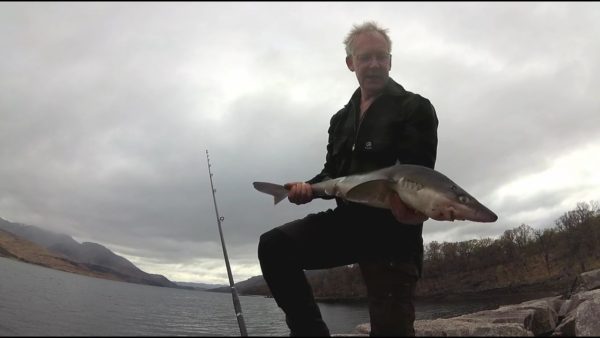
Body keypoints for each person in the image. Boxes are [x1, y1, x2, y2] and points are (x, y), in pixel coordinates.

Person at [258, 21, 439, 337]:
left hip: (394, 234)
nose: (374, 64)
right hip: (347, 224)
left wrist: (417, 207)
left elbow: (417, 175)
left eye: (381, 57)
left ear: (391, 60)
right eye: (366, 57)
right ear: (350, 63)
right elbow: (333, 174)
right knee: (273, 247)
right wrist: (308, 189)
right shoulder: (340, 120)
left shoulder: (415, 107)